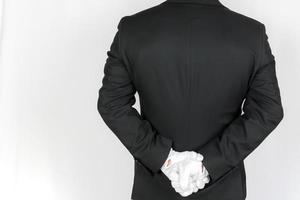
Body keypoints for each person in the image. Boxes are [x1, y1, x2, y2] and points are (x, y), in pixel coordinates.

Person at [97, 0, 284, 199]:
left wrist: (165, 159)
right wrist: (209, 164)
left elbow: (111, 103)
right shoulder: (251, 34)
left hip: (153, 189)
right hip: (223, 190)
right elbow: (268, 110)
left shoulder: (132, 29)